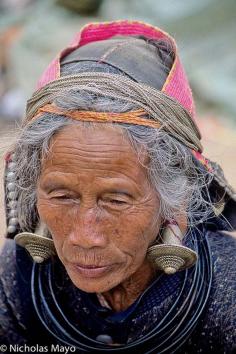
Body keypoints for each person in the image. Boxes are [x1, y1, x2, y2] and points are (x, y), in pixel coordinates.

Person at [0, 20, 235, 353]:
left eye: (116, 200)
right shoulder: (20, 275)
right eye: (62, 195)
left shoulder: (226, 291)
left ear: (175, 196)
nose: (84, 235)